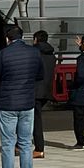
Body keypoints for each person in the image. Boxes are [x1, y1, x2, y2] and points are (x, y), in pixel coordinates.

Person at [0, 23, 46, 168]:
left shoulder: (3, 55)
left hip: (7, 105)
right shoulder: (34, 53)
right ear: (23, 36)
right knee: (26, 145)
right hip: (27, 104)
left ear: (7, 38)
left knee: (8, 145)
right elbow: (40, 75)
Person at [31, 30, 54, 158]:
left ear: (36, 39)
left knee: (34, 120)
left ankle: (39, 148)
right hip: (46, 90)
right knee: (32, 118)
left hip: (34, 90)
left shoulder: (34, 53)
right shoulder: (51, 54)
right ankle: (19, 144)